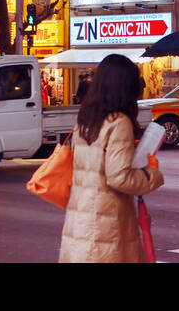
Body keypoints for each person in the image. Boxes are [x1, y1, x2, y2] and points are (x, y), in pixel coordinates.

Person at [59, 54, 164, 262]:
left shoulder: (85, 119)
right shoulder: (119, 122)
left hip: (81, 220)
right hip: (106, 228)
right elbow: (118, 177)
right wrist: (151, 173)